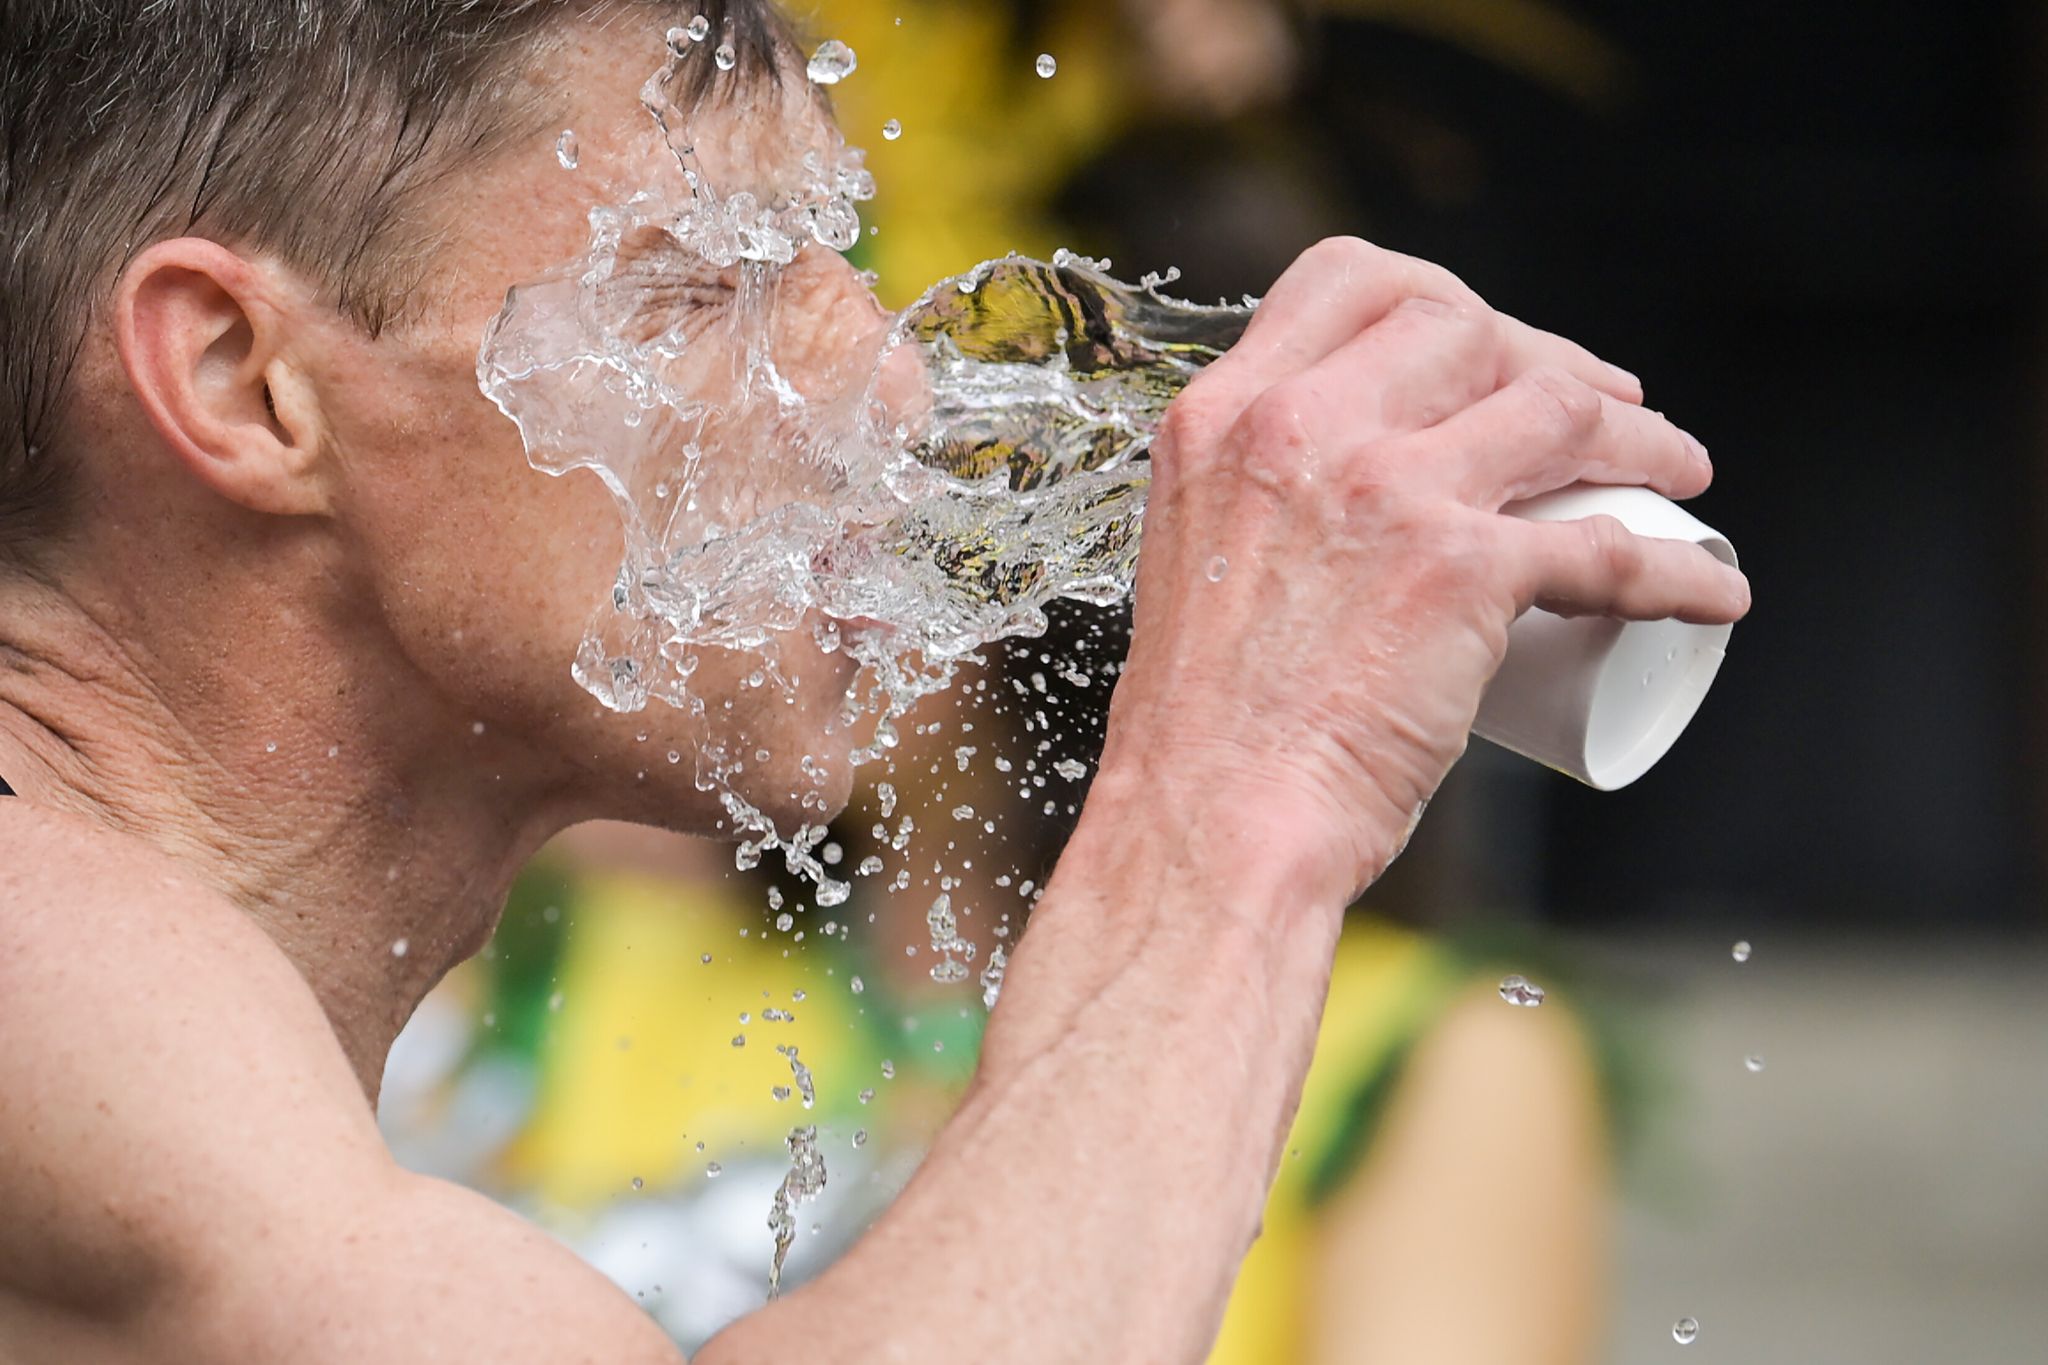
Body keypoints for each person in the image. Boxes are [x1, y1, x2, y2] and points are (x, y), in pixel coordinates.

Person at [0, 3, 1747, 1362]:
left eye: (834, 258)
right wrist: (1243, 804)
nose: (891, 390)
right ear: (239, 380)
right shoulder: (58, 962)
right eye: (711, 284)